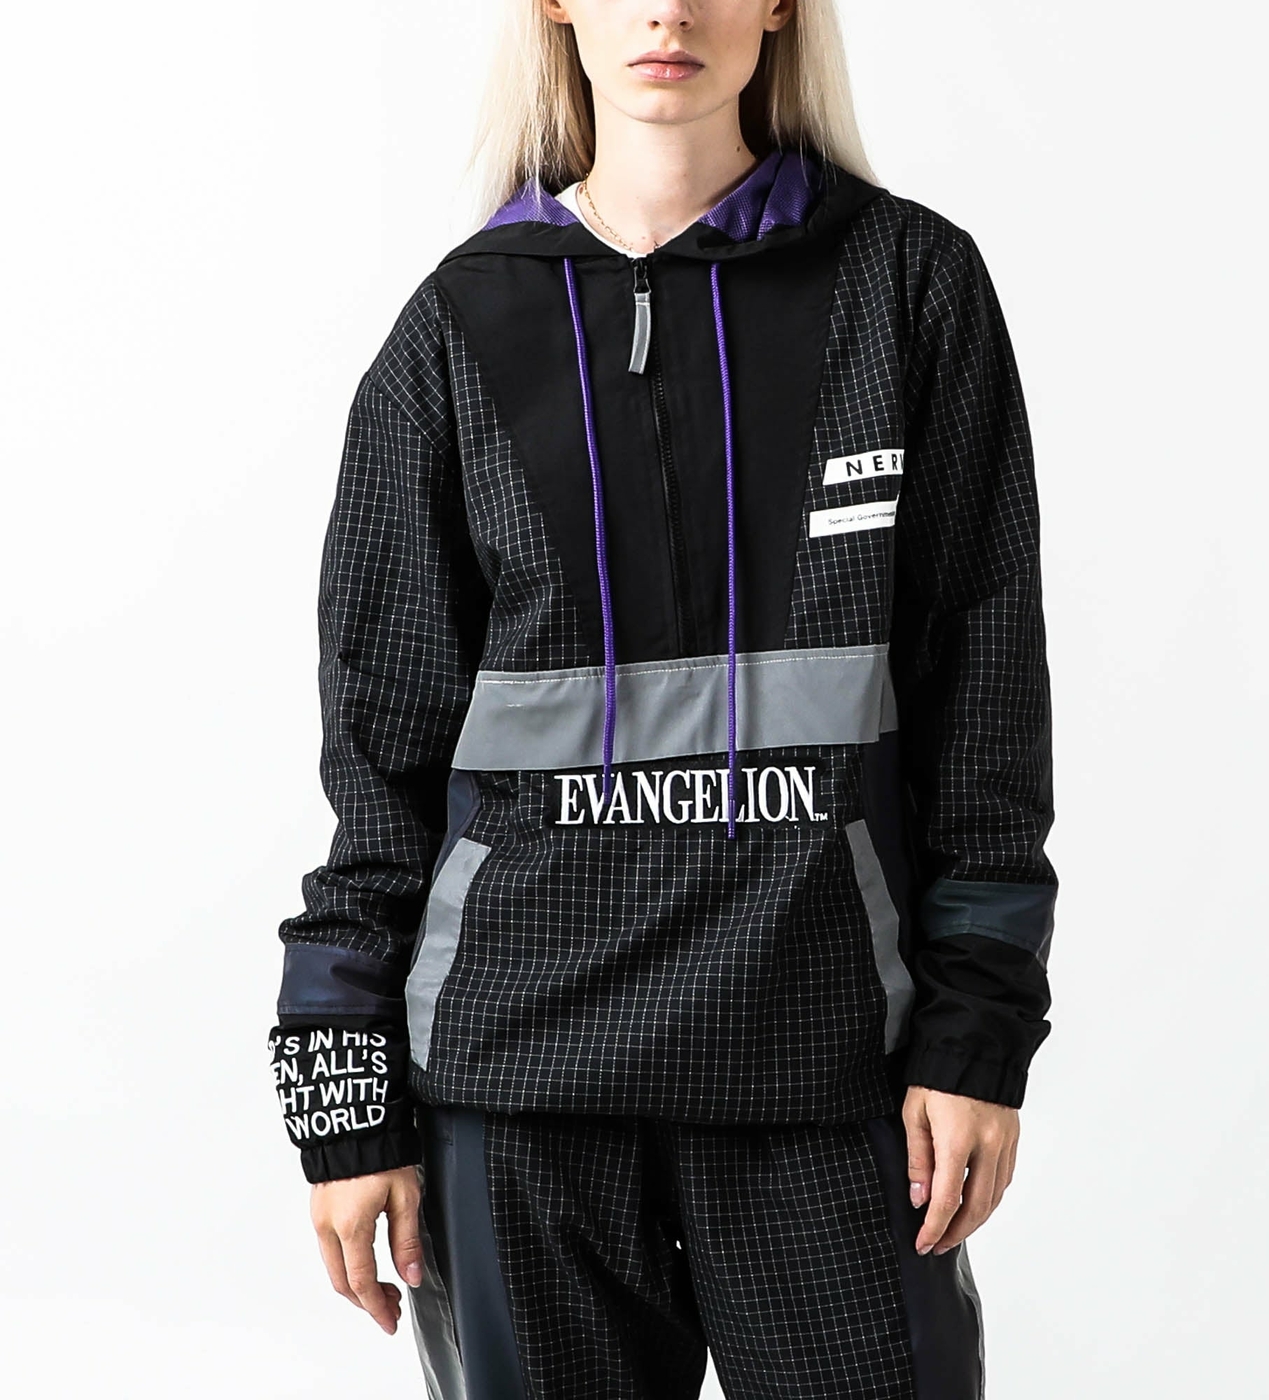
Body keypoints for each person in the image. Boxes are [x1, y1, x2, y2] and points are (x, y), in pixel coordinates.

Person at [265, 1, 1058, 1395]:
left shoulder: (908, 287)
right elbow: (378, 762)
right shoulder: (457, 329)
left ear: (781, 5)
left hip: (831, 1075)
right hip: (516, 1094)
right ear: (556, 5)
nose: (669, 10)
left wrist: (980, 1036)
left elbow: (984, 704)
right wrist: (339, 1098)